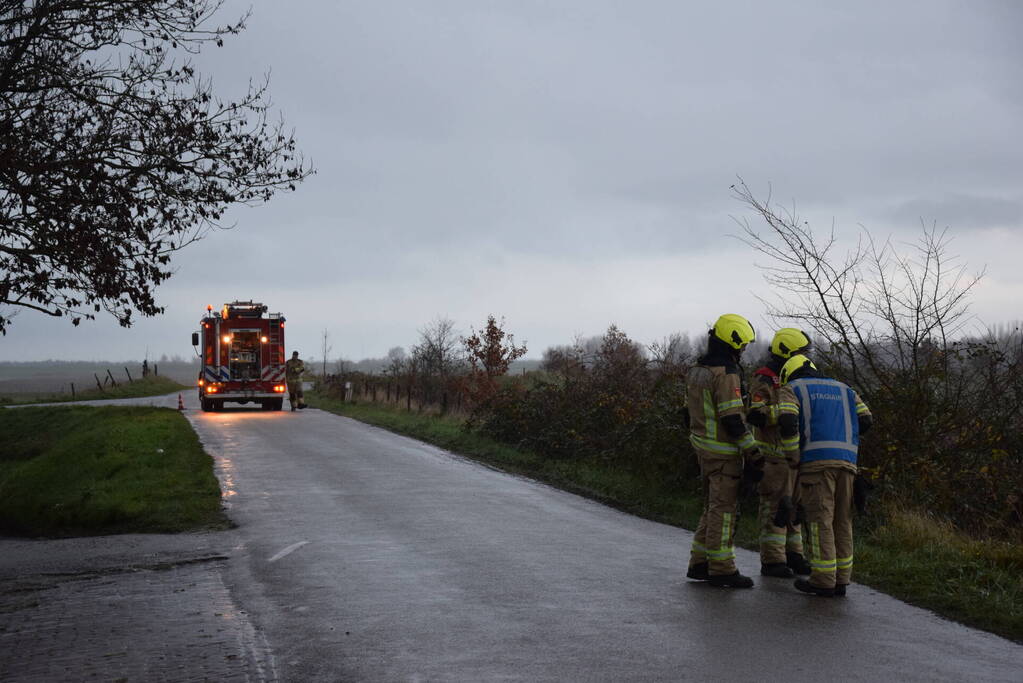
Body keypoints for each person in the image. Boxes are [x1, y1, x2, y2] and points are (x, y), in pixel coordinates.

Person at [779, 354, 872, 597]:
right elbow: (866, 419)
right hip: (848, 463)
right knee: (842, 521)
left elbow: (787, 422)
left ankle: (822, 580)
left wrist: (792, 456)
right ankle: (841, 579)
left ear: (790, 373)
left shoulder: (792, 389)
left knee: (820, 521)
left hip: (816, 464)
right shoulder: (845, 389)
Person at [685, 313, 761, 588]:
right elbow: (732, 419)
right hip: (724, 454)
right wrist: (753, 452)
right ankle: (722, 568)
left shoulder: (696, 370)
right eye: (741, 346)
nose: (742, 351)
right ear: (732, 342)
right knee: (724, 511)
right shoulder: (726, 374)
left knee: (712, 508)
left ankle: (700, 562)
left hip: (703, 450)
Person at [746, 329, 812, 578]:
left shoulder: (795, 378)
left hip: (794, 456)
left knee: (794, 508)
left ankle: (794, 555)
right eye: (801, 352)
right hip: (773, 457)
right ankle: (773, 559)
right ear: (788, 352)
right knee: (775, 509)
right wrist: (785, 415)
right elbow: (755, 414)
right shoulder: (764, 379)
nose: (805, 357)